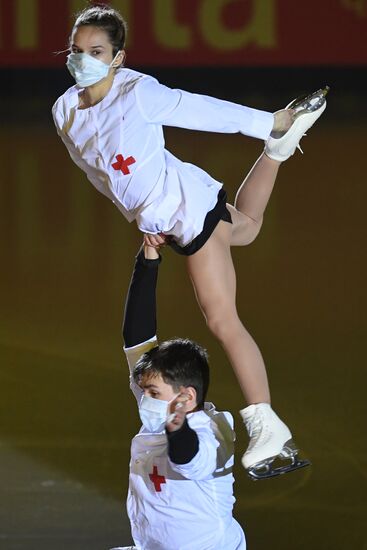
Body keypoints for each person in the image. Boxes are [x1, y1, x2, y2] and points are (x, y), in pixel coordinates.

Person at [52, 4, 327, 477]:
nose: (84, 59)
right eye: (77, 51)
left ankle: (266, 424)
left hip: (187, 211)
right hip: (171, 205)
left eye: (96, 51)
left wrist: (269, 121)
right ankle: (277, 154)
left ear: (117, 57)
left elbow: (202, 110)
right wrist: (137, 216)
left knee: (222, 319)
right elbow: (101, 176)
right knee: (247, 229)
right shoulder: (64, 111)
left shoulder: (139, 92)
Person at [111, 243, 246, 550]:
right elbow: (137, 339)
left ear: (186, 397)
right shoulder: (161, 409)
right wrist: (148, 261)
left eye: (152, 392)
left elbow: (189, 458)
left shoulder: (213, 434)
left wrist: (177, 427)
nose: (144, 398)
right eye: (145, 390)